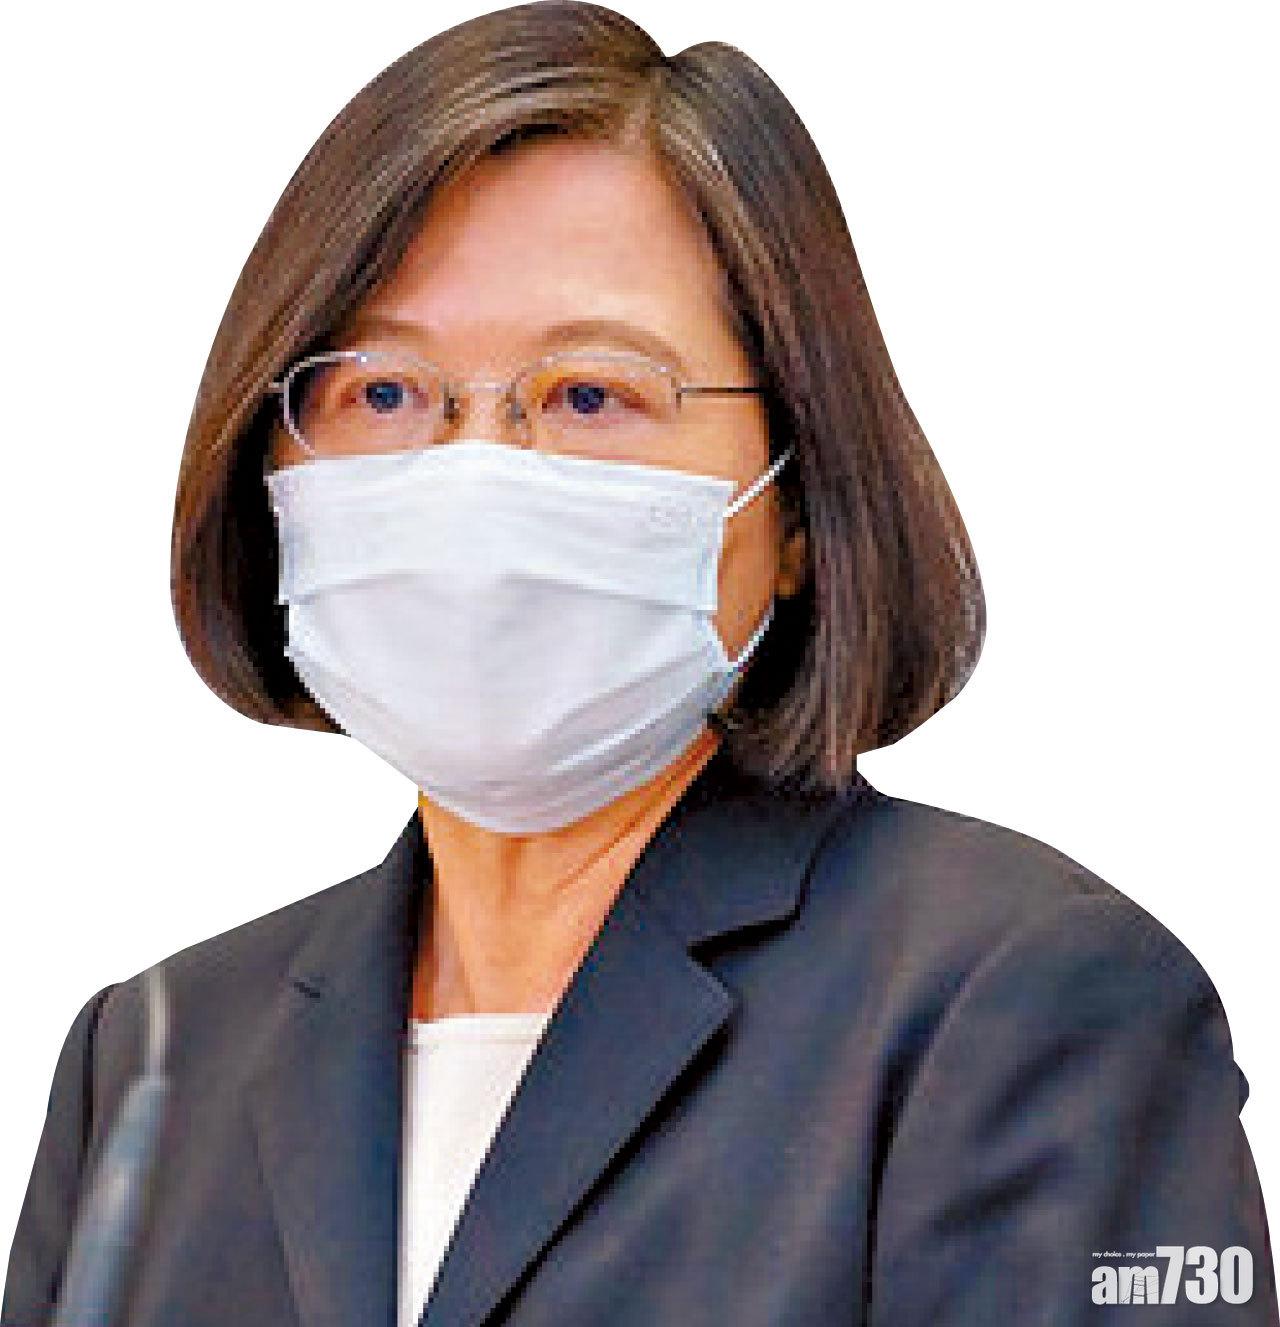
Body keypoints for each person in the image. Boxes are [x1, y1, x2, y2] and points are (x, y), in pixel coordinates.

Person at [3, 3, 1275, 1324]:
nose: (473, 475)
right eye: (381, 393)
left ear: (796, 503)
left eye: (590, 394)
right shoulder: (151, 1060)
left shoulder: (1024, 1003)